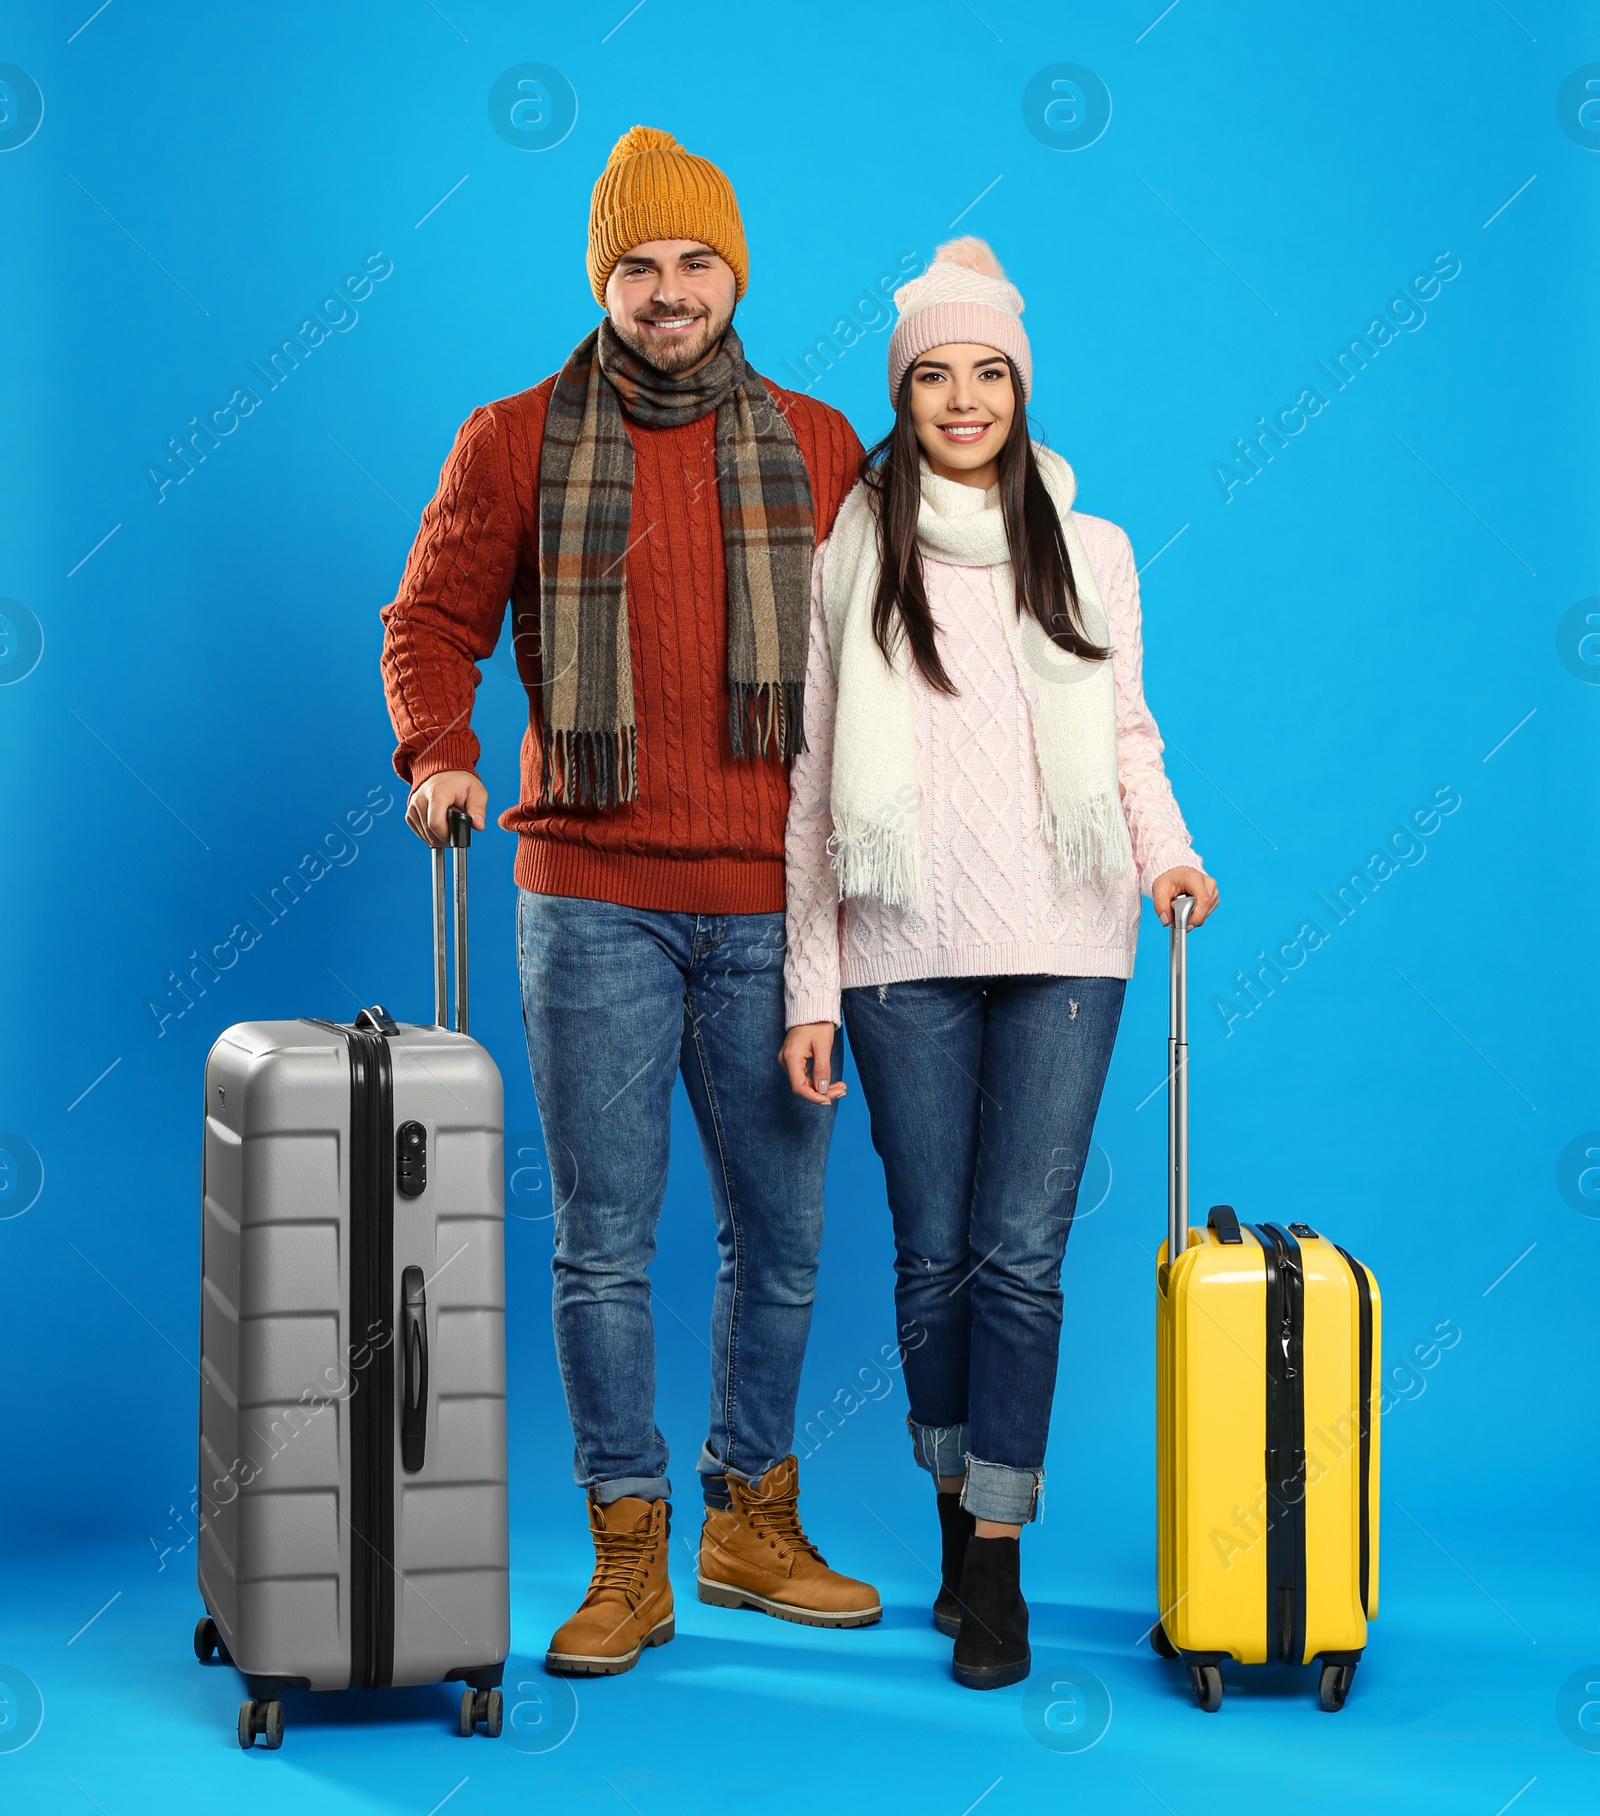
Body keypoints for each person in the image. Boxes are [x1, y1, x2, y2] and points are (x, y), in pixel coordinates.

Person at [381, 125, 880, 1679]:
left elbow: (887, 661)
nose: (670, 293)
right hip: (587, 894)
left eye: (695, 263)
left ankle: (753, 1520)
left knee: (780, 1241)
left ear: (737, 273)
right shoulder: (514, 438)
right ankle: (627, 1553)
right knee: (605, 1241)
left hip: (774, 903)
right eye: (638, 267)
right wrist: (440, 756)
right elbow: (433, 618)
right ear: (603, 280)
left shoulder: (818, 442)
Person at [780, 239, 1219, 1690]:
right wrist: (808, 986)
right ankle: (953, 1520)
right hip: (901, 941)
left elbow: (1130, 732)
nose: (961, 397)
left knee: (1022, 1259)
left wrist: (1167, 853)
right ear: (899, 392)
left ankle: (999, 1559)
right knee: (936, 1256)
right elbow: (813, 775)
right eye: (931, 373)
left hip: (1070, 936)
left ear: (1019, 388)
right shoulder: (854, 545)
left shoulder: (1092, 551)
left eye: (986, 373)